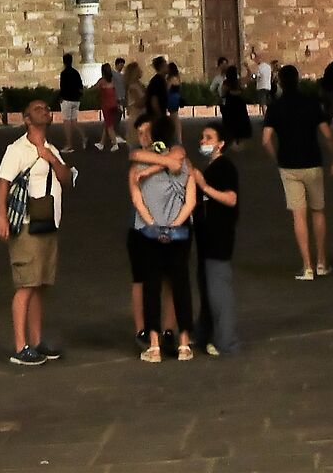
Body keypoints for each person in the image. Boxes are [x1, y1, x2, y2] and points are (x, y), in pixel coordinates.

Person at [0, 99, 70, 368]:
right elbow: (1, 182)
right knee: (25, 285)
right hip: (26, 223)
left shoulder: (50, 149)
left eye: (47, 108)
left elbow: (66, 178)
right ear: (26, 119)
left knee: (39, 286)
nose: (45, 111)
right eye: (38, 109)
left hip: (48, 222)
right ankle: (20, 345)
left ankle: (36, 342)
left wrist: (49, 158)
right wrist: (2, 216)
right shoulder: (17, 150)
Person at [130, 116, 196, 362]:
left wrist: (155, 226)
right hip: (180, 235)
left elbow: (137, 200)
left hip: (149, 235)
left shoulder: (138, 168)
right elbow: (190, 201)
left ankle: (154, 345)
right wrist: (173, 226)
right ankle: (184, 344)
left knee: (151, 286)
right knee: (181, 285)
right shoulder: (184, 163)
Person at [262, 64, 333, 279]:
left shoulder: (276, 106)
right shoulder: (311, 103)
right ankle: (321, 262)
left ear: (281, 82)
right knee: (318, 211)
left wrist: (276, 158)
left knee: (298, 215)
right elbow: (328, 134)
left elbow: (265, 140)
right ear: (298, 79)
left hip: (289, 164)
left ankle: (307, 266)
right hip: (312, 161)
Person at [192, 122, 240, 356]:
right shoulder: (211, 167)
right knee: (207, 285)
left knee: (218, 289)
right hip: (206, 237)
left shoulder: (225, 168)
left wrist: (204, 187)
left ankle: (226, 341)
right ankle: (204, 333)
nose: (203, 142)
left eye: (209, 138)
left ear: (221, 144)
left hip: (219, 237)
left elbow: (231, 199)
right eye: (202, 138)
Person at [218, 59, 251, 146]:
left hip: (230, 103)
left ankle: (231, 137)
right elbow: (249, 77)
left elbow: (223, 93)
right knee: (240, 120)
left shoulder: (226, 83)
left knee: (230, 121)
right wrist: (247, 67)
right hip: (239, 103)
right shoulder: (239, 82)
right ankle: (240, 137)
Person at [57, 53, 84, 155]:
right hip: (76, 99)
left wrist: (61, 97)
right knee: (74, 121)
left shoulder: (64, 73)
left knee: (67, 122)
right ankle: (84, 137)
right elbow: (80, 86)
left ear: (64, 61)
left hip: (67, 99)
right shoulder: (76, 73)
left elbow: (63, 87)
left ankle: (69, 144)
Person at [94, 64, 123, 151]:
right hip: (113, 104)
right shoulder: (112, 81)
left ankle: (115, 144)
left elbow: (94, 89)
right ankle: (101, 143)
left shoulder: (102, 81)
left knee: (109, 126)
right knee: (107, 124)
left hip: (106, 106)